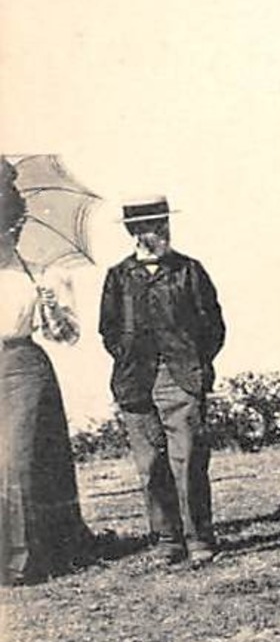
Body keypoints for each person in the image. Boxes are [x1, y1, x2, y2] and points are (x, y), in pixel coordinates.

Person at [98, 195, 226, 566]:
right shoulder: (119, 276)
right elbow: (107, 329)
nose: (158, 231)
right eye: (149, 225)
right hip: (134, 380)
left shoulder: (190, 270)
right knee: (150, 464)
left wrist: (194, 364)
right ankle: (167, 541)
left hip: (181, 376)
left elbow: (213, 325)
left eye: (161, 223)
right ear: (133, 231)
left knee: (188, 459)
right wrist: (127, 355)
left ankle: (199, 538)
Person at [0, 161, 95, 584]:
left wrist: (52, 308)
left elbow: (66, 335)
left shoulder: (38, 272)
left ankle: (23, 561)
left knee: (18, 463)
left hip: (22, 371)